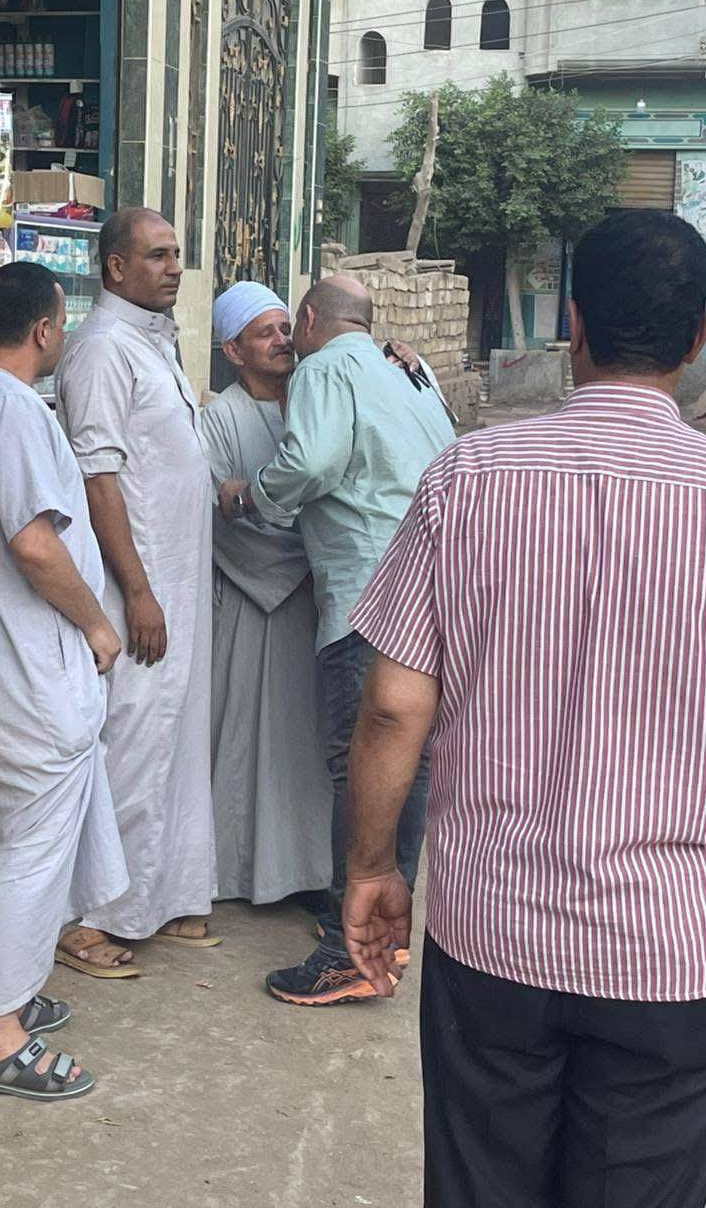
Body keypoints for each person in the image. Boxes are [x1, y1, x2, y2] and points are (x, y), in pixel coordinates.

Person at [344, 209, 706, 1206]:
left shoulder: (468, 478)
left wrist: (372, 867)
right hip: (667, 945)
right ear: (698, 338)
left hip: (493, 935)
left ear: (573, 324)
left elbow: (393, 709)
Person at [0, 262, 129, 1101]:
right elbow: (34, 545)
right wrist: (99, 624)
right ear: (44, 329)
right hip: (26, 676)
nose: (63, 337)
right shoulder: (9, 409)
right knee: (33, 848)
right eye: (62, 325)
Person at [220, 274, 456, 1005]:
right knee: (408, 768)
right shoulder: (410, 376)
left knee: (359, 770)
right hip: (430, 596)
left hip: (365, 599)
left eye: (288, 327)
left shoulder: (325, 369)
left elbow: (313, 462)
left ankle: (343, 946)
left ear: (311, 319)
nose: (286, 342)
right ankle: (386, 936)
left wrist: (251, 495)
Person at [54, 207, 218, 977]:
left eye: (176, 253)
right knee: (131, 743)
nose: (174, 267)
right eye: (157, 255)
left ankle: (159, 898)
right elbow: (98, 477)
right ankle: (87, 920)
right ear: (115, 268)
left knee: (174, 741)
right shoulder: (99, 348)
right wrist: (140, 591)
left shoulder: (153, 342)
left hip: (178, 584)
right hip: (139, 590)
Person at [203, 281, 332, 906]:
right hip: (257, 604)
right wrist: (308, 561)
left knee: (313, 744)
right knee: (250, 744)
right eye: (266, 333)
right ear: (234, 350)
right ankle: (245, 874)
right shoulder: (218, 420)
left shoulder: (316, 398)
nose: (283, 341)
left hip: (322, 600)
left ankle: (311, 872)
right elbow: (215, 518)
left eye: (286, 328)